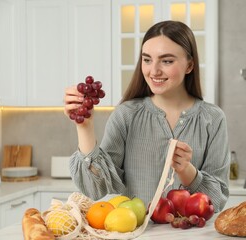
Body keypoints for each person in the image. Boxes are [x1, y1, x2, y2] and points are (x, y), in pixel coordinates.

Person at [64, 20, 230, 212]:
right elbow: (96, 189)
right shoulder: (126, 115)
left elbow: (216, 201)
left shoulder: (213, 119)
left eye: (167, 61)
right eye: (147, 59)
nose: (154, 71)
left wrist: (188, 171)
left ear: (189, 65)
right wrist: (84, 126)